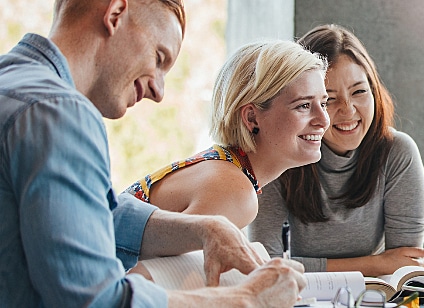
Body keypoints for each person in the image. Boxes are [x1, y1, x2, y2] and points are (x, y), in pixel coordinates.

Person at [0, 0, 307, 306]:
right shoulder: (59, 113)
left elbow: (87, 214)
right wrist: (248, 298)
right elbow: (98, 300)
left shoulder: (14, 86)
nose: (159, 92)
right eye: (159, 58)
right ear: (116, 13)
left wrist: (205, 228)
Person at [249, 24, 424, 277]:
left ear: (375, 91)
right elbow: (266, 265)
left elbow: (404, 265)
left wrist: (386, 265)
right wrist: (376, 264)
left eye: (359, 91)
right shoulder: (278, 153)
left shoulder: (397, 152)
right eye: (329, 99)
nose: (348, 110)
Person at [124, 40, 330, 229]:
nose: (324, 120)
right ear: (251, 118)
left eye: (323, 104)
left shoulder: (226, 168)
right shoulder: (234, 192)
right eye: (303, 106)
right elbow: (148, 269)